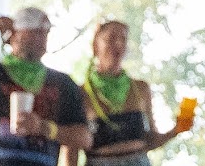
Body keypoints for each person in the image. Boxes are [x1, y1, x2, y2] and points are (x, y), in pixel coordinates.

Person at [0, 7, 87, 166]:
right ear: (14, 34)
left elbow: (84, 138)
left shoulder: (62, 83)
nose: (42, 37)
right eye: (35, 31)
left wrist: (44, 128)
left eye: (45, 32)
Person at [77, 20, 193, 160]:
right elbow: (71, 147)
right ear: (95, 45)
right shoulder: (81, 93)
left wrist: (177, 129)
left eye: (123, 39)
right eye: (111, 38)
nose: (118, 44)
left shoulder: (140, 88)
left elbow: (150, 140)